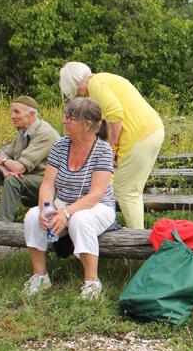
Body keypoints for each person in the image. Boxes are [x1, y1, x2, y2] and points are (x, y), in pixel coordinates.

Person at [22, 98, 116, 299]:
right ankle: (40, 276)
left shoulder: (103, 150)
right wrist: (47, 208)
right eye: (65, 116)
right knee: (32, 216)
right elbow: (48, 184)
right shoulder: (60, 145)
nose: (64, 121)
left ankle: (92, 282)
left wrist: (66, 213)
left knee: (80, 220)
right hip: (63, 203)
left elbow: (95, 195)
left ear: (87, 125)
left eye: (69, 118)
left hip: (97, 206)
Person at [59, 62, 164, 229]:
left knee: (126, 191)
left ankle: (135, 240)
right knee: (131, 189)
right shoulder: (104, 79)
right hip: (151, 130)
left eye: (74, 89)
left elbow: (115, 114)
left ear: (75, 82)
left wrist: (111, 148)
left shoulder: (96, 84)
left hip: (139, 136)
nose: (78, 94)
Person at [0, 96, 59, 221]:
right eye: (12, 111)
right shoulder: (23, 131)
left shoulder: (45, 133)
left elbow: (17, 167)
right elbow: (3, 155)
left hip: (46, 182)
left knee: (13, 181)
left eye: (17, 112)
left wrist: (4, 163)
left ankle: (3, 226)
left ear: (31, 114)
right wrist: (6, 172)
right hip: (27, 176)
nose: (12, 116)